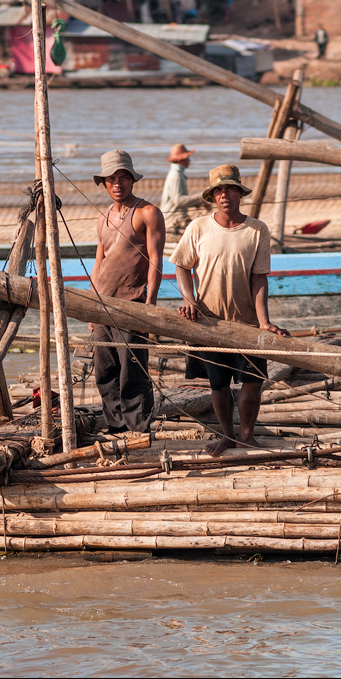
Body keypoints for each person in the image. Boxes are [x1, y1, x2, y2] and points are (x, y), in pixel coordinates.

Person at [170, 164, 290, 457]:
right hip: (210, 323)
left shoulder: (257, 230)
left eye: (230, 189)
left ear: (239, 193)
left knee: (252, 382)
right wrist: (189, 300)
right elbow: (182, 266)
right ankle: (227, 435)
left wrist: (264, 321)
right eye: (219, 190)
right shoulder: (198, 227)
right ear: (212, 196)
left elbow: (259, 277)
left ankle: (246, 436)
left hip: (246, 322)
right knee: (218, 383)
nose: (225, 195)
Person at [90, 150, 166, 434]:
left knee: (131, 372)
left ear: (132, 179)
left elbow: (156, 259)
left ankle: (138, 429)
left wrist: (150, 301)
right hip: (102, 306)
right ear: (104, 183)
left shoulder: (147, 213)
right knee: (105, 372)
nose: (117, 183)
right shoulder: (103, 218)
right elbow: (100, 262)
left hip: (132, 303)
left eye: (123, 177)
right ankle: (116, 427)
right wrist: (91, 304)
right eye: (111, 179)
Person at [160, 143, 194, 230]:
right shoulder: (176, 176)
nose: (189, 160)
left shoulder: (177, 174)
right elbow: (178, 201)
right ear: (181, 159)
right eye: (187, 158)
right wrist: (201, 197)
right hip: (173, 219)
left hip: (176, 216)